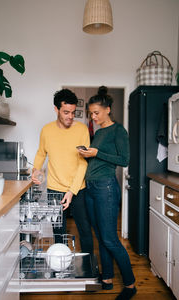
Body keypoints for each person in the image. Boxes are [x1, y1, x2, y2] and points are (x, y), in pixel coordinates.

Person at [78, 86, 136, 299]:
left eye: (96, 113)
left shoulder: (117, 130)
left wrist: (98, 153)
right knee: (101, 237)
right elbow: (99, 158)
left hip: (106, 188)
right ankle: (107, 279)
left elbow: (124, 160)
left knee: (110, 238)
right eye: (91, 113)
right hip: (91, 187)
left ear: (108, 109)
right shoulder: (99, 132)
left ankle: (130, 285)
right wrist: (89, 154)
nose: (93, 117)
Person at [32, 88, 93, 254]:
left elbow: (83, 163)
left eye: (73, 112)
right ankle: (61, 267)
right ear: (56, 109)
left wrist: (71, 191)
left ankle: (88, 269)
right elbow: (41, 153)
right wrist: (36, 171)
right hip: (55, 189)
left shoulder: (81, 130)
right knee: (58, 232)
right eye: (66, 112)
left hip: (78, 189)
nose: (70, 117)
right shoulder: (47, 130)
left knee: (85, 231)